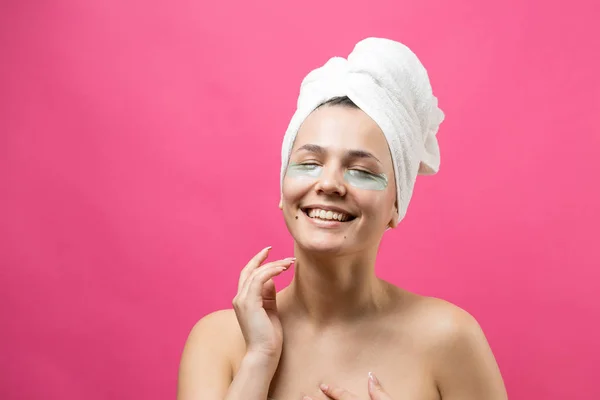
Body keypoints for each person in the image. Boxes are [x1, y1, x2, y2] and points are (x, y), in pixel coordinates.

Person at [177, 38, 507, 400]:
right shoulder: (219, 342)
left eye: (362, 170)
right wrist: (259, 358)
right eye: (309, 163)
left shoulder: (449, 338)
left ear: (397, 205)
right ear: (284, 187)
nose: (330, 183)